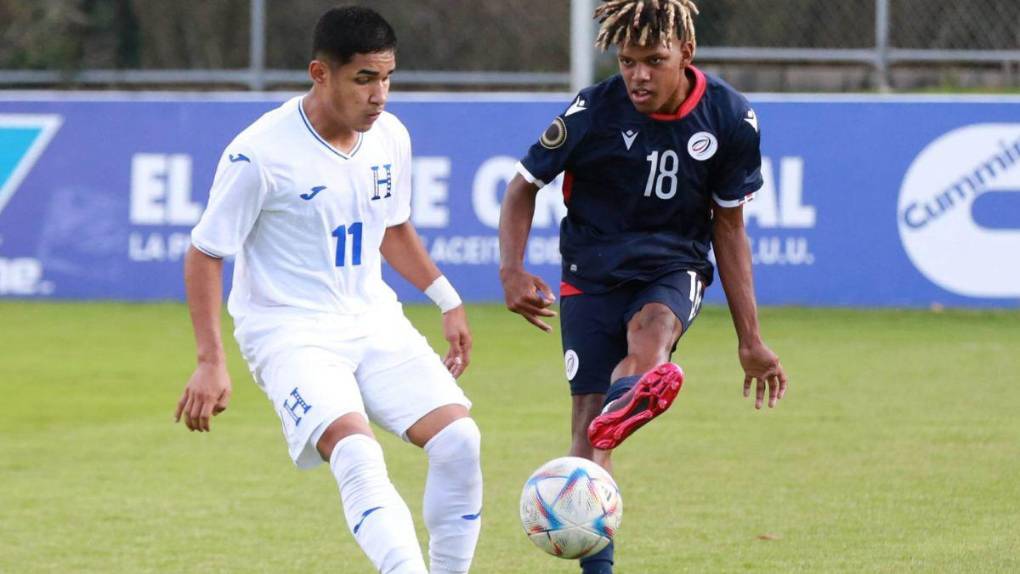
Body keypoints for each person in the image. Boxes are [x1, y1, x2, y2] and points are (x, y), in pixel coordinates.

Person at [173, 7, 482, 574]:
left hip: (373, 319)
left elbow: (391, 228)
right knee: (358, 453)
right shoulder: (258, 153)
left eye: (387, 78)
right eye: (364, 78)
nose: (380, 95)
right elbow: (205, 253)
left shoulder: (390, 136)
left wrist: (446, 297)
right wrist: (209, 360)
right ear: (321, 73)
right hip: (290, 332)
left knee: (460, 442)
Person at [499, 1, 788, 572]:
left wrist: (750, 339)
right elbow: (522, 186)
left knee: (651, 337)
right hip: (589, 274)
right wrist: (510, 269)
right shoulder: (593, 111)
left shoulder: (730, 118)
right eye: (628, 61)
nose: (638, 75)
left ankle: (632, 393)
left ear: (687, 52)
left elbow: (729, 227)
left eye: (654, 60)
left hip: (672, 265)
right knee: (587, 439)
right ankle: (598, 550)